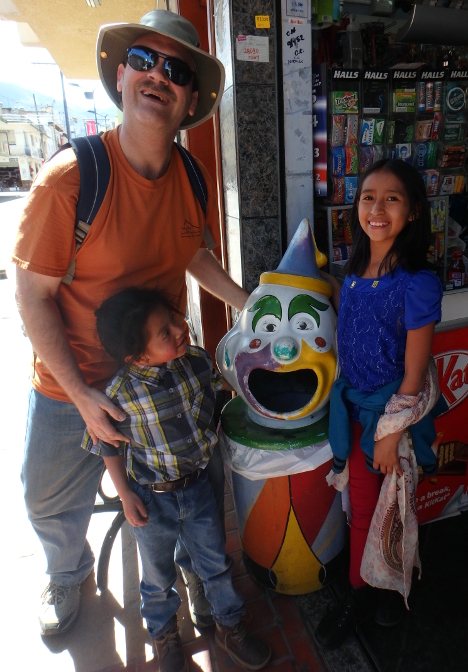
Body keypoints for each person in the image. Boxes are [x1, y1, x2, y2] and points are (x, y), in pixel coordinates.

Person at [12, 9, 249, 636]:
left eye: (175, 70)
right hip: (73, 382)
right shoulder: (71, 178)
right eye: (144, 61)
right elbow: (31, 294)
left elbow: (193, 251)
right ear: (120, 77)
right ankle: (66, 573)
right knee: (49, 498)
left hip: (161, 379)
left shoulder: (193, 178)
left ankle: (196, 571)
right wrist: (84, 395)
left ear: (191, 97)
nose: (157, 77)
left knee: (180, 495)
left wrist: (249, 302)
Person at [81, 287, 271, 671]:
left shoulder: (197, 362)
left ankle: (230, 627)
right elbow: (108, 447)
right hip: (151, 501)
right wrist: (124, 495)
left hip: (199, 488)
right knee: (156, 576)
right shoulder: (118, 394)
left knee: (216, 563)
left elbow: (225, 386)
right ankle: (164, 635)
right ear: (137, 356)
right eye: (164, 333)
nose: (178, 330)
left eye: (173, 319)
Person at [315, 159, 444, 649]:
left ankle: (360, 596)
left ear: (412, 212)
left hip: (388, 419)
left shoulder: (417, 282)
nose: (378, 207)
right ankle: (378, 586)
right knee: (369, 509)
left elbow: (414, 374)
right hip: (350, 410)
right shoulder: (352, 271)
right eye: (369, 196)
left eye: (392, 197)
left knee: (380, 511)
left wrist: (390, 431)